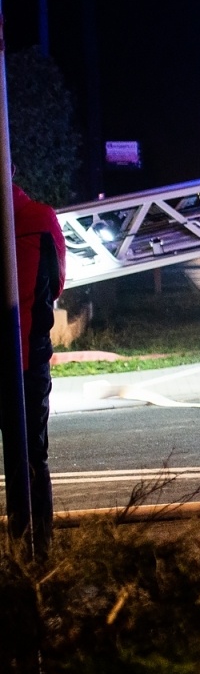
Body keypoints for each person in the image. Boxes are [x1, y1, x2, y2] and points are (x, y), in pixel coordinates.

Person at [13, 179, 66, 554]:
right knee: (33, 459)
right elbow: (57, 283)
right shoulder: (40, 218)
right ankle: (37, 552)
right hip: (29, 359)